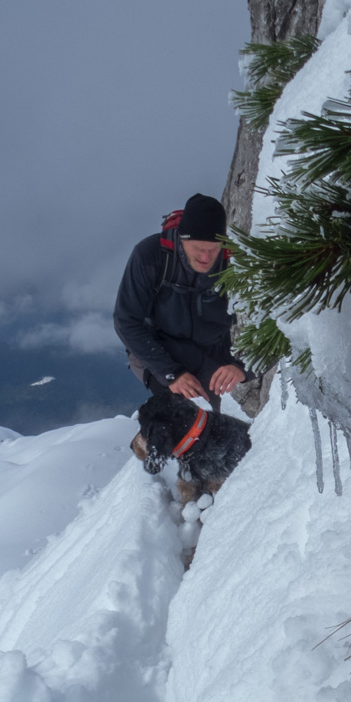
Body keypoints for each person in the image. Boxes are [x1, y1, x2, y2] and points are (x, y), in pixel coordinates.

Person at [113, 193, 250, 495]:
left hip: (210, 354)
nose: (205, 257)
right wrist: (170, 373)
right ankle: (179, 482)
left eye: (213, 249)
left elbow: (268, 324)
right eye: (198, 249)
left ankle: (216, 490)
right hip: (155, 350)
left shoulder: (236, 263)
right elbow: (127, 321)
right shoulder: (151, 256)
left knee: (206, 428)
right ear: (180, 239)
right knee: (178, 412)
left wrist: (241, 368)